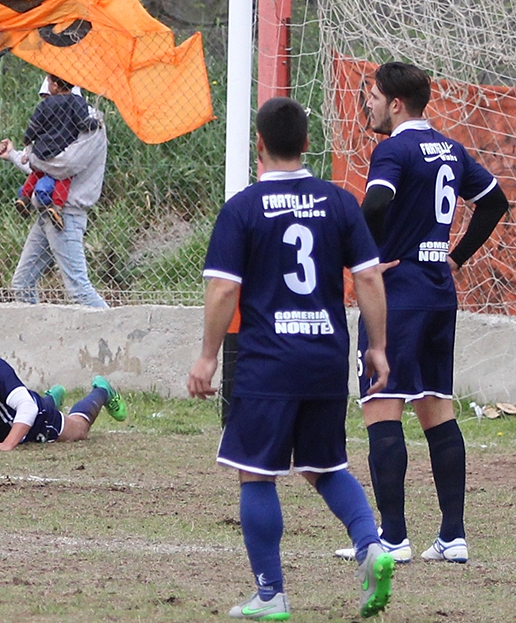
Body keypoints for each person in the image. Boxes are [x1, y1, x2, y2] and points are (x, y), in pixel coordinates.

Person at [188, 96, 395, 620]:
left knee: (255, 474)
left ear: (258, 144)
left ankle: (271, 594)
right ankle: (371, 545)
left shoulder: (243, 208)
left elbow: (222, 290)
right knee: (324, 466)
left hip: (268, 363)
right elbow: (369, 277)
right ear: (306, 143)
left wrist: (208, 357)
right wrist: (377, 347)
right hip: (325, 357)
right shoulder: (339, 202)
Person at [335, 62, 509, 565]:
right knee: (437, 408)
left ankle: (393, 537)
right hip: (437, 292)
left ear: (395, 104)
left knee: (381, 405)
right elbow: (495, 202)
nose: (367, 105)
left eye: (372, 97)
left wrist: (361, 254)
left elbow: (376, 204)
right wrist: (456, 257)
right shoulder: (450, 148)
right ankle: (453, 536)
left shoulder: (393, 149)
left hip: (396, 296)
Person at [0, 78, 108, 309]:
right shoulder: (65, 122)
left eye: (49, 100)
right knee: (22, 284)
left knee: (79, 291)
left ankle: (119, 328)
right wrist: (15, 155)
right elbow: (46, 168)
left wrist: (30, 156)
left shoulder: (90, 125)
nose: (48, 109)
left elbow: (64, 165)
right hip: (48, 213)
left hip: (66, 214)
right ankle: (34, 332)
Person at [14, 74, 100, 230]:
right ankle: (57, 206)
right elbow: (83, 123)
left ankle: (24, 197)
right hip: (61, 150)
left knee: (37, 172)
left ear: (55, 86)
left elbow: (34, 125)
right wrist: (95, 123)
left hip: (42, 150)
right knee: (63, 176)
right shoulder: (77, 102)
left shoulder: (46, 104)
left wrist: (27, 139)